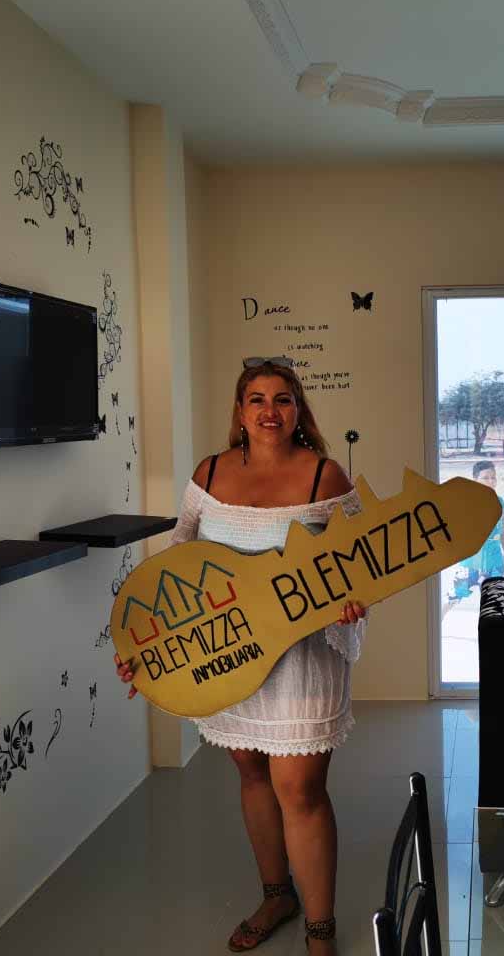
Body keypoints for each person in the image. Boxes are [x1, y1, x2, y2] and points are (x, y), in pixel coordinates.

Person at [114, 357, 365, 956]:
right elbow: (175, 565)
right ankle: (277, 895)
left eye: (282, 399)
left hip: (303, 657)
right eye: (257, 399)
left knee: (300, 790)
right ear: (240, 410)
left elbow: (363, 559)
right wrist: (145, 651)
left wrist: (353, 598)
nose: (269, 411)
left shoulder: (325, 475)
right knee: (252, 774)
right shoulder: (209, 473)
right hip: (225, 656)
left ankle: (321, 930)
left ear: (298, 409)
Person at [443, 460, 504, 618]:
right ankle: (435, 621)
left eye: (493, 477)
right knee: (454, 596)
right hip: (470, 562)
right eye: (486, 477)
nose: (491, 481)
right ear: (475, 480)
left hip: (494, 561)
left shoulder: (500, 502)